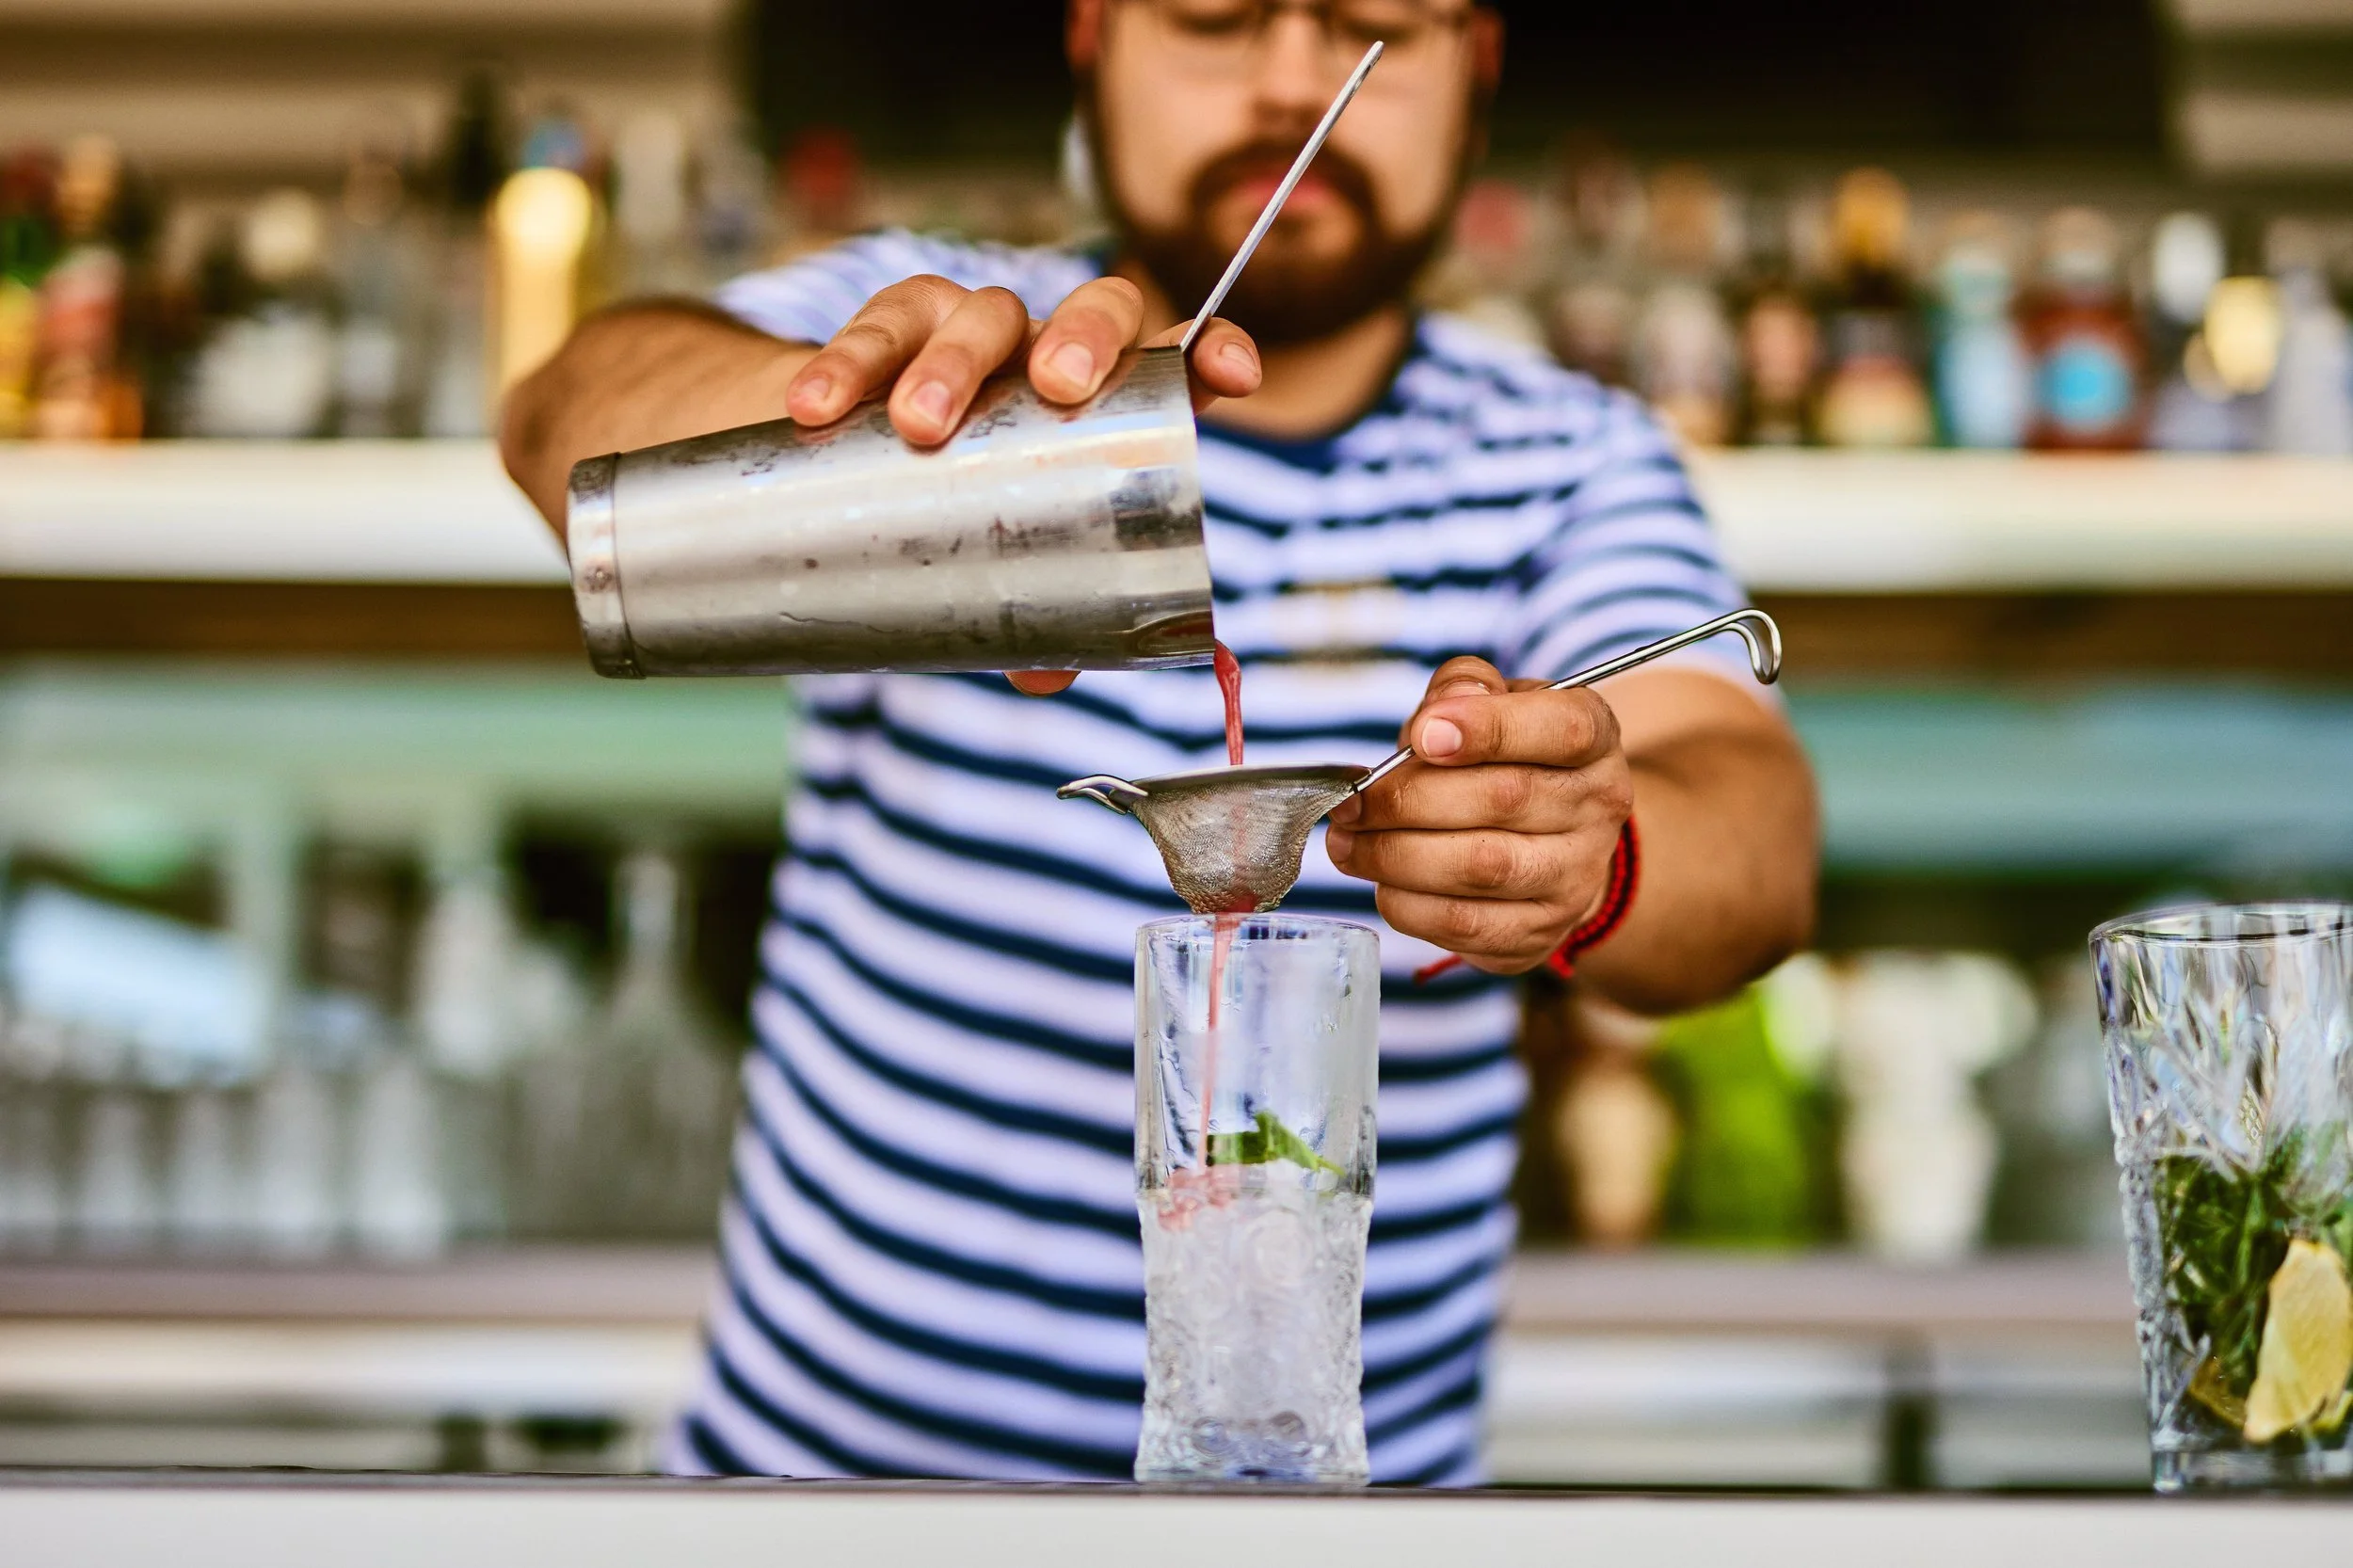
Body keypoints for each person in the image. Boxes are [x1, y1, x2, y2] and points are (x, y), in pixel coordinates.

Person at [501, 0, 1817, 1485]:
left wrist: (1598, 853)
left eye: (1372, 23)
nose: (1288, 79)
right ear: (1092, 40)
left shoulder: (1565, 460)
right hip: (813, 1503)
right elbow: (565, 405)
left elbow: (1752, 837)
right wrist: (878, 446)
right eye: (1213, 15)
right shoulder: (940, 310)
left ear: (1477, 65)